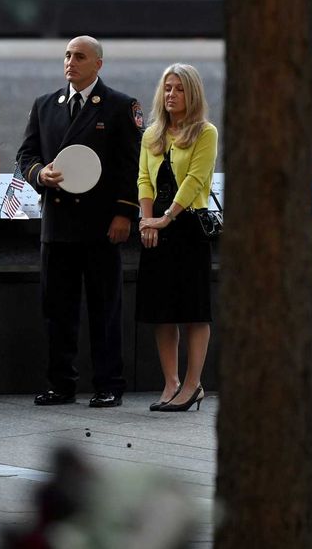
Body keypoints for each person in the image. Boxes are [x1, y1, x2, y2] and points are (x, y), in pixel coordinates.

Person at [16, 36, 143, 408]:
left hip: (102, 225)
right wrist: (40, 174)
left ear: (98, 64)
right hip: (58, 226)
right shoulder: (45, 105)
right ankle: (61, 384)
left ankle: (109, 384)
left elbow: (131, 166)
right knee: (57, 310)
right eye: (68, 55)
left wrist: (124, 213)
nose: (71, 62)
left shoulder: (120, 106)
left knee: (105, 308)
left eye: (80, 56)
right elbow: (27, 154)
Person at [136, 64, 218, 413]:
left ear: (192, 94)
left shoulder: (205, 132)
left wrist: (166, 218)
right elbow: (143, 179)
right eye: (167, 88)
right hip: (155, 227)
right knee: (162, 311)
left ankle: (192, 384)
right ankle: (170, 382)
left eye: (179, 89)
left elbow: (195, 181)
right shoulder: (151, 134)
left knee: (193, 310)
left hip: (187, 228)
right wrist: (146, 221)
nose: (171, 94)